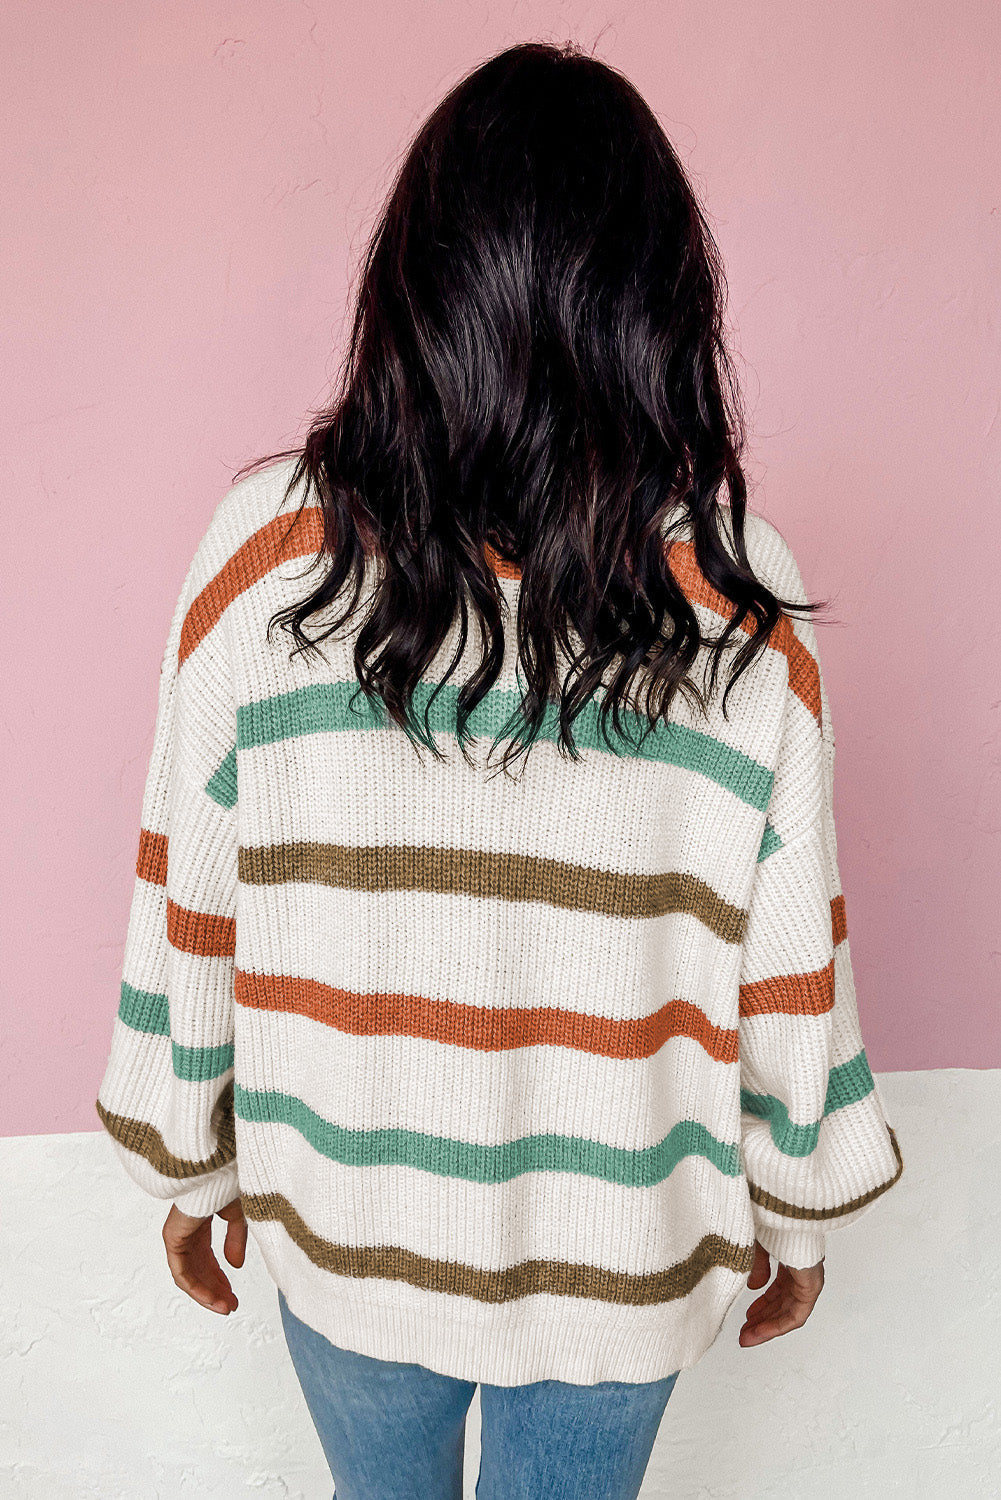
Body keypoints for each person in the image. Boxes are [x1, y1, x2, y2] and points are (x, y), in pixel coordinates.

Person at [95, 38, 904, 1500]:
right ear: (662, 307)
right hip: (623, 1256)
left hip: (349, 1225)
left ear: (410, 285)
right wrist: (798, 1210)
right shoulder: (734, 594)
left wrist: (185, 1161)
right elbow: (790, 961)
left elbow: (185, 896)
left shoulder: (263, 557)